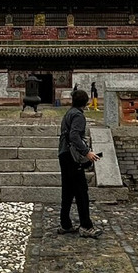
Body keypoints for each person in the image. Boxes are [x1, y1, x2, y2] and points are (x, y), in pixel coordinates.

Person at [57, 89, 102, 238]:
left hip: (64, 154)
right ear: (86, 102)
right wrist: (86, 152)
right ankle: (86, 225)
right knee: (81, 191)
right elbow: (74, 136)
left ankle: (65, 223)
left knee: (68, 191)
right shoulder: (78, 115)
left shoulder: (68, 114)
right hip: (72, 157)